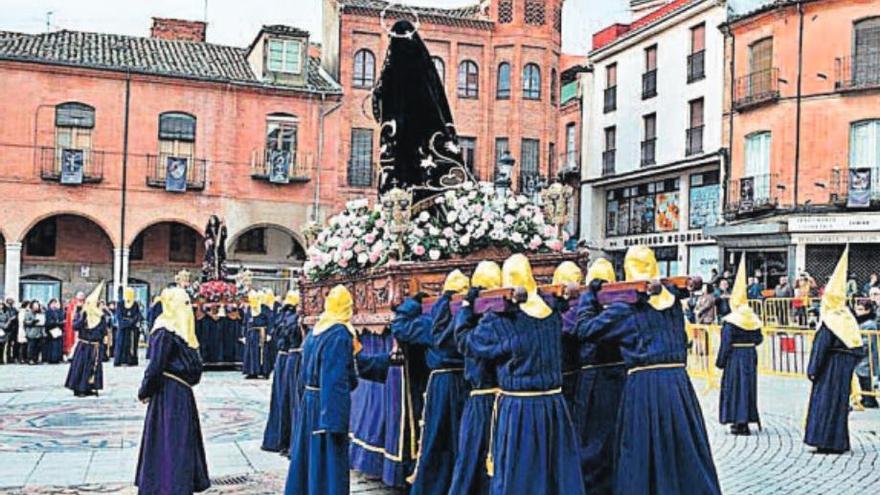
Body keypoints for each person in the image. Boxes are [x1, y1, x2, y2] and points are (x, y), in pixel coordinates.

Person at [574, 246, 721, 495]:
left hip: (644, 386)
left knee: (642, 449)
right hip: (678, 386)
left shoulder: (626, 310)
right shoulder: (673, 305)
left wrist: (591, 295)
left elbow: (585, 329)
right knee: (682, 448)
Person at [458, 254, 585, 495]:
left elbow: (468, 343)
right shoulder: (550, 315)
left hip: (520, 408)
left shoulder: (501, 321)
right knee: (553, 471)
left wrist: (467, 308)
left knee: (521, 472)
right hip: (554, 404)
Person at [393, 269, 470, 495]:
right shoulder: (473, 317)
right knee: (462, 438)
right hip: (467, 382)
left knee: (436, 437)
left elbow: (399, 327)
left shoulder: (431, 321)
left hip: (441, 383)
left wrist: (413, 303)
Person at [284, 285, 361, 495]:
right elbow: (335, 380)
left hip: (310, 400)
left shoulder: (316, 330)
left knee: (309, 457)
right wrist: (336, 423)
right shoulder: (339, 333)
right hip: (326, 405)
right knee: (328, 460)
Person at [135, 287, 210, 494]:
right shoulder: (179, 329)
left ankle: (167, 483)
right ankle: (176, 482)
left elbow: (156, 365)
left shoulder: (165, 330)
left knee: (168, 440)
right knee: (176, 439)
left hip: (168, 393)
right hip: (179, 391)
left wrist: (144, 391)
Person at [568, 258, 626, 495]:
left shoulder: (595, 312)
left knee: (592, 443)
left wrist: (589, 298)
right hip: (617, 381)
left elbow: (584, 330)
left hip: (595, 382)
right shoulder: (624, 308)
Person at [448, 261, 502, 495]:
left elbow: (464, 340)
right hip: (501, 400)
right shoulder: (506, 317)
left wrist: (466, 308)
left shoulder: (488, 322)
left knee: (472, 456)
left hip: (483, 400)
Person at [805, 248, 866, 454]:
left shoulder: (830, 321)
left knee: (824, 405)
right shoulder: (848, 319)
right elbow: (858, 349)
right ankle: (839, 442)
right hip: (843, 370)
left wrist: (813, 370)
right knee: (839, 406)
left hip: (829, 368)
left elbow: (820, 348)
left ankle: (825, 441)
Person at [716, 256, 764, 435]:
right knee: (748, 387)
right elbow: (759, 339)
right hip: (750, 355)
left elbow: (726, 343)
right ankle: (746, 419)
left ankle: (738, 420)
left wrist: (720, 361)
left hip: (735, 357)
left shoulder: (731, 320)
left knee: (735, 388)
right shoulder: (752, 317)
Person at [262, 290, 301, 453]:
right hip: (291, 360)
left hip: (282, 359)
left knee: (280, 399)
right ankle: (287, 440)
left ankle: (277, 439)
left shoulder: (281, 316)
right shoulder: (294, 319)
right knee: (290, 400)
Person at [65, 283, 109, 397]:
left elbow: (104, 331)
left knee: (92, 368)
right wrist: (83, 318)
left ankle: (91, 387)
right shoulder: (81, 314)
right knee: (81, 367)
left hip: (95, 346)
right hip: (84, 345)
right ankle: (79, 388)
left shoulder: (100, 316)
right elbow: (75, 326)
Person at [242, 290, 274, 379]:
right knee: (251, 353)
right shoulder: (249, 309)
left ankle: (263, 372)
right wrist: (244, 335)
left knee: (262, 353)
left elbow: (270, 321)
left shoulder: (264, 308)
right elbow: (245, 322)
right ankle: (251, 372)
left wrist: (269, 334)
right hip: (251, 335)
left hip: (261, 334)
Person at [854, 300, 879, 409]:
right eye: (857, 309)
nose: (857, 312)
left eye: (860, 309)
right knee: (861, 375)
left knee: (866, 375)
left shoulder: (869, 324)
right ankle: (865, 397)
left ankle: (870, 398)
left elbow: (866, 342)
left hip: (867, 356)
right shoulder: (860, 322)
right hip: (863, 356)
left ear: (867, 310)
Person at [115, 287, 143, 366]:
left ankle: (130, 360)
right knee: (121, 344)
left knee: (131, 344)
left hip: (132, 329)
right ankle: (119, 360)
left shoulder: (135, 304)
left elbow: (137, 316)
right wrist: (126, 323)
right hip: (123, 328)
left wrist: (131, 322)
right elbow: (119, 316)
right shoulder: (120, 304)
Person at [24, 300, 46, 365]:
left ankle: (35, 359)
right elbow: (26, 322)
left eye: (37, 306)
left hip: (39, 332)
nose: (36, 307)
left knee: (38, 347)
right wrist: (33, 322)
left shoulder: (41, 313)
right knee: (31, 347)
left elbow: (43, 322)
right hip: (31, 332)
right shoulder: (28, 313)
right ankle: (30, 359)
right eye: (35, 306)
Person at [64, 292, 85, 358]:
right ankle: (71, 354)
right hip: (74, 325)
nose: (81, 297)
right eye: (80, 296)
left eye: (82, 296)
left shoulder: (85, 303)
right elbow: (70, 314)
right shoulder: (73, 304)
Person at [44, 298, 65, 364]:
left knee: (58, 345)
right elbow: (48, 321)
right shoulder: (48, 312)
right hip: (51, 330)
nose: (54, 305)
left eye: (55, 303)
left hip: (58, 329)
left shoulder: (59, 311)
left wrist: (61, 323)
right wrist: (56, 322)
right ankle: (51, 358)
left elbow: (61, 318)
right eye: (53, 303)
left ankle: (57, 358)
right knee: (51, 345)